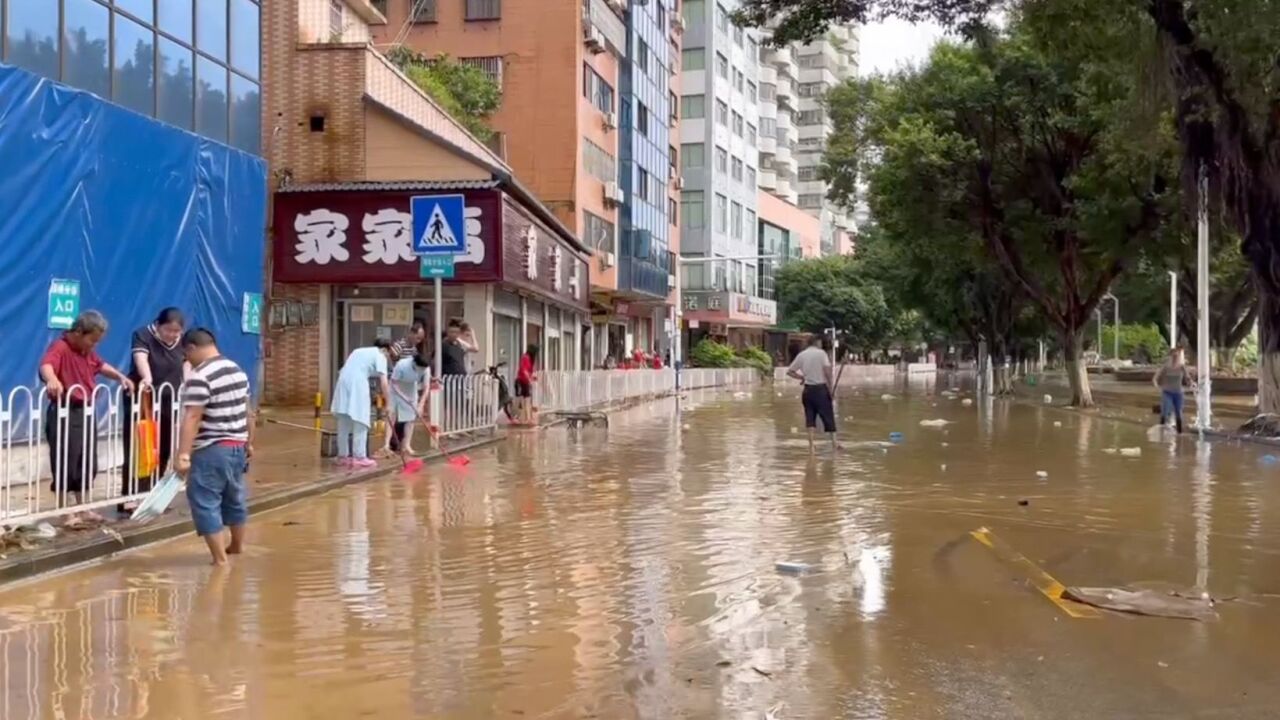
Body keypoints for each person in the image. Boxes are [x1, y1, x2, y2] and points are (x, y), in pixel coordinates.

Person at [39, 310, 134, 523]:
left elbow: (101, 366)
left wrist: (120, 377)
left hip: (85, 411)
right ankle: (65, 511)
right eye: (92, 340)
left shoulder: (86, 351)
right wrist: (53, 379)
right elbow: (46, 365)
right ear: (79, 332)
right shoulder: (61, 347)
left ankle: (84, 507)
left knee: (86, 460)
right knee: (66, 460)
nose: (94, 345)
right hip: (65, 412)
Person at [174, 329, 252, 566]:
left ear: (190, 349)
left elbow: (193, 416)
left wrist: (183, 455)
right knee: (234, 497)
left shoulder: (200, 376)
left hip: (212, 448)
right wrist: (250, 443)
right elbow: (249, 412)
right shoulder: (237, 371)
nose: (188, 361)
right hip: (237, 446)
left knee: (204, 500)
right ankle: (236, 547)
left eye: (187, 356)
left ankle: (219, 560)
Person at [120, 308, 187, 512]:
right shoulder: (143, 335)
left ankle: (153, 494)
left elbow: (186, 365)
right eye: (168, 330)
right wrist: (147, 379)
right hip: (144, 397)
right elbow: (141, 358)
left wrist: (189, 384)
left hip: (169, 400)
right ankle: (131, 495)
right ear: (158, 325)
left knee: (163, 448)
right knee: (139, 446)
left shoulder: (182, 342)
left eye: (177, 332)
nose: (172, 335)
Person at [331, 339, 394, 468]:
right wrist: (389, 404)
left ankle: (342, 456)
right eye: (389, 354)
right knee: (361, 419)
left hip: (343, 381)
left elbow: (343, 370)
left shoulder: (358, 351)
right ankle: (359, 456)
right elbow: (384, 382)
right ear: (385, 349)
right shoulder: (380, 355)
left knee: (344, 419)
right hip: (357, 383)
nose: (388, 357)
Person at [787, 335, 837, 454]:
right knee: (828, 416)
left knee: (810, 418)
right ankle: (834, 443)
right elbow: (827, 372)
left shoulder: (802, 355)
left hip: (808, 391)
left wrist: (802, 378)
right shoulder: (821, 354)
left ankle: (811, 446)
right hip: (821, 389)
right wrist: (831, 389)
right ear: (816, 342)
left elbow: (790, 371)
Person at [389, 352, 430, 455]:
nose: (422, 370)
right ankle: (386, 445)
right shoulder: (402, 365)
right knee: (392, 416)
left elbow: (426, 387)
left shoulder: (426, 368)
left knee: (411, 418)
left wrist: (421, 404)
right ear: (414, 363)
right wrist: (403, 397)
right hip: (396, 388)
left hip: (411, 388)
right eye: (419, 368)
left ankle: (406, 446)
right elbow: (393, 382)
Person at [1154, 345, 1194, 433]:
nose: (1176, 358)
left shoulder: (1182, 367)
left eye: (1177, 356)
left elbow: (1187, 378)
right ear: (1170, 357)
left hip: (1178, 393)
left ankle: (1179, 433)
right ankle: (1161, 431)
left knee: (1178, 412)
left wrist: (1191, 383)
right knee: (1165, 411)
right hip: (1167, 392)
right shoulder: (1166, 367)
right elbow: (1156, 377)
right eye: (1174, 356)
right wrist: (1156, 384)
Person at [515, 344, 539, 425]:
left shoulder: (530, 359)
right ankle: (525, 418)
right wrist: (529, 379)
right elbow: (524, 370)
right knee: (525, 400)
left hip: (525, 381)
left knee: (527, 400)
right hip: (521, 381)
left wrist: (532, 377)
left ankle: (527, 418)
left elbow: (529, 371)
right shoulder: (525, 357)